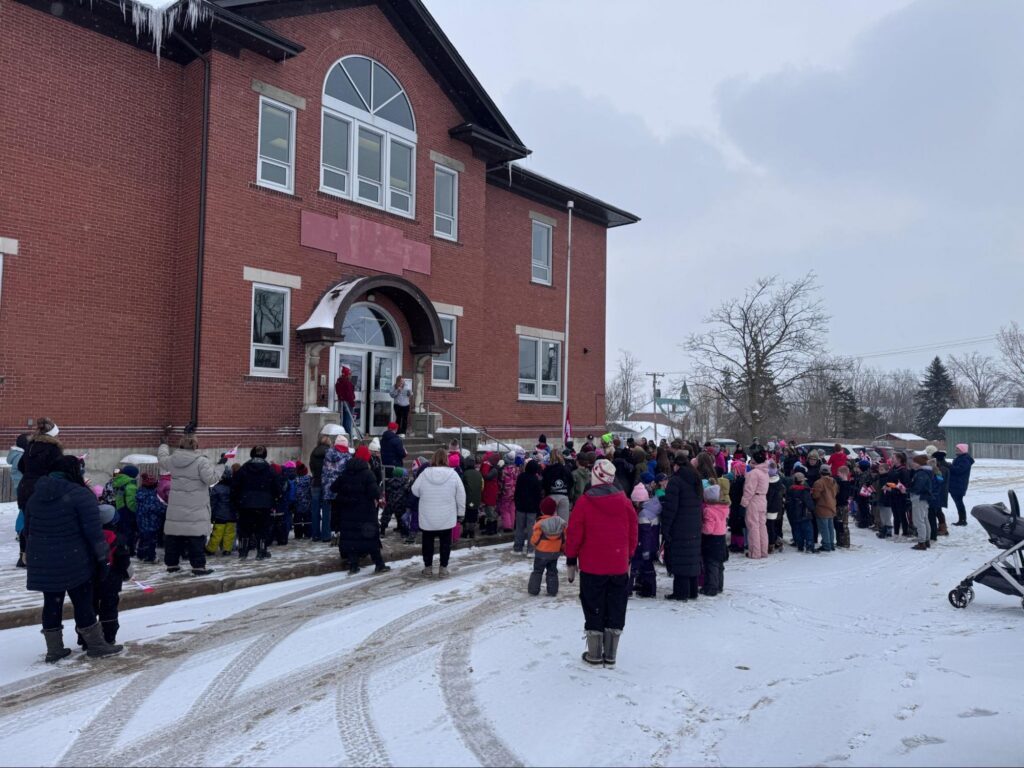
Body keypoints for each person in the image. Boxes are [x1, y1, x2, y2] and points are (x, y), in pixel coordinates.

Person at [26, 455, 123, 661]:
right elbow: (94, 533)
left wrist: (29, 555)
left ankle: (54, 650)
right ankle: (96, 645)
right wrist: (104, 559)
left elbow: (28, 530)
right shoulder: (80, 495)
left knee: (52, 602)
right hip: (74, 559)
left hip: (43, 560)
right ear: (73, 472)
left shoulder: (36, 496)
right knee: (83, 602)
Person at [564, 458, 637, 667]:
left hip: (592, 566)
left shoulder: (584, 503)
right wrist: (628, 556)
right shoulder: (625, 502)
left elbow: (574, 534)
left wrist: (571, 559)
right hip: (618, 565)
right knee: (616, 606)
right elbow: (633, 533)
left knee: (593, 605)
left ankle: (595, 652)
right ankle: (611, 652)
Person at [158, 431, 219, 575]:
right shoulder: (201, 461)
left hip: (176, 508)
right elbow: (211, 479)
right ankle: (198, 566)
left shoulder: (173, 460)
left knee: (174, 536)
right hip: (195, 507)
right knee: (196, 537)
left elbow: (162, 458)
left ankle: (172, 565)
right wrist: (221, 465)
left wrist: (163, 444)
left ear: (180, 444)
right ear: (196, 445)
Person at [78, 503, 131, 652]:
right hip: (111, 579)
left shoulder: (88, 535)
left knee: (89, 608)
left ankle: (86, 639)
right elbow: (123, 560)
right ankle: (109, 637)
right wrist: (125, 573)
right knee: (109, 608)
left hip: (90, 578)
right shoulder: (118, 537)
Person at [333, 445, 391, 575]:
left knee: (352, 539)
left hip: (349, 513)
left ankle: (353, 566)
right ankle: (379, 564)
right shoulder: (367, 473)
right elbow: (374, 492)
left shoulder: (346, 472)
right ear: (366, 459)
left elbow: (334, 487)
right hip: (366, 512)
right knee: (371, 539)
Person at [412, 448, 465, 577]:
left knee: (427, 543)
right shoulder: (453, 475)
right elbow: (461, 495)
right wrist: (461, 513)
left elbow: (415, 490)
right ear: (446, 460)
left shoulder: (424, 474)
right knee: (445, 544)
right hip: (446, 516)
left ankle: (428, 568)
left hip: (428, 516)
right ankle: (443, 568)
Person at [662, 452, 704, 601]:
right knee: (691, 557)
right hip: (694, 523)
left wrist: (665, 527)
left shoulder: (676, 481)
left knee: (680, 558)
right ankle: (693, 591)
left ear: (677, 465)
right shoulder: (695, 478)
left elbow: (670, 507)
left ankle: (681, 592)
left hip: (679, 525)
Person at [232, 446, 282, 560]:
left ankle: (243, 552)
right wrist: (276, 499)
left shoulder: (244, 468)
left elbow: (235, 486)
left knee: (245, 529)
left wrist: (237, 501)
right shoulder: (269, 469)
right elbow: (277, 487)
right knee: (262, 529)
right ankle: (261, 551)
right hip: (264, 504)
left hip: (246, 503)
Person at [17, 417, 64, 520]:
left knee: (29, 522)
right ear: (53, 434)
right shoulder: (54, 449)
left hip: (25, 488)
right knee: (43, 524)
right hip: (44, 490)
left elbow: (20, 466)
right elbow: (59, 470)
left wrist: (30, 474)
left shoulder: (30, 446)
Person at [528, 496, 567, 596]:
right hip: (554, 553)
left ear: (542, 510)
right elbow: (564, 538)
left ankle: (533, 590)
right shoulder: (560, 523)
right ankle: (552, 590)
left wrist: (534, 544)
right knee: (552, 572)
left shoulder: (540, 524)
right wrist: (562, 548)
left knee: (537, 571)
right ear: (554, 510)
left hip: (541, 553)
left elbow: (535, 539)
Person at [322, 435, 351, 546]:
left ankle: (334, 533)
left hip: (329, 488)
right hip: (342, 489)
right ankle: (340, 534)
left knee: (333, 512)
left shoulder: (328, 454)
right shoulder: (347, 457)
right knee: (342, 512)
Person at [741, 447, 770, 559]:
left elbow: (749, 490)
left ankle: (755, 553)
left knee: (753, 526)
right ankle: (763, 551)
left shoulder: (754, 473)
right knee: (762, 526)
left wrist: (743, 503)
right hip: (763, 499)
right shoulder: (765, 472)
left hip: (754, 500)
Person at [513, 460, 543, 554]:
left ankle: (518, 548)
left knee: (519, 528)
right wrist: (538, 509)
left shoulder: (521, 477)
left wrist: (516, 503)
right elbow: (538, 496)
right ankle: (530, 549)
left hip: (521, 506)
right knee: (531, 530)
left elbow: (517, 491)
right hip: (532, 508)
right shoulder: (536, 480)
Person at [9, 433, 29, 568]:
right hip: (23, 487)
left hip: (21, 486)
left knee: (23, 510)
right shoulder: (21, 457)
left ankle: (20, 531)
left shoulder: (16, 455)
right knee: (24, 511)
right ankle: (20, 531)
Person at [206, 466, 236, 556]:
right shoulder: (234, 487)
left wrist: (211, 515)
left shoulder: (216, 488)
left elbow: (213, 503)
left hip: (220, 515)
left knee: (216, 533)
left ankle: (211, 549)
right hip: (232, 514)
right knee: (229, 533)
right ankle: (227, 549)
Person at [135, 472, 164, 562]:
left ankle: (141, 554)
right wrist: (164, 509)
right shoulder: (151, 495)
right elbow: (155, 508)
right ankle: (151, 557)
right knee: (151, 541)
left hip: (141, 521)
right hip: (151, 522)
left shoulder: (140, 492)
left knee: (143, 538)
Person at [309, 434, 332, 543]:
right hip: (326, 483)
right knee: (327, 510)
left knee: (315, 510)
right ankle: (326, 535)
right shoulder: (329, 453)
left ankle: (315, 535)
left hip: (315, 482)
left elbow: (311, 466)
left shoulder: (313, 452)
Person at [112, 464, 139, 556]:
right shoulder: (131, 485)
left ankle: (122, 548)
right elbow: (131, 501)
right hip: (128, 511)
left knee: (123, 531)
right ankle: (130, 550)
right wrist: (135, 510)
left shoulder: (120, 482)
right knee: (130, 532)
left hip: (120, 509)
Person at [786, 472, 816, 553]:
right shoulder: (805, 491)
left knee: (797, 530)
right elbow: (809, 503)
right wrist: (813, 508)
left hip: (794, 514)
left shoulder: (790, 490)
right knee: (808, 530)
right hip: (805, 514)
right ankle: (809, 546)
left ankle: (800, 545)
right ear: (802, 481)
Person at [811, 465, 838, 552]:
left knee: (824, 528)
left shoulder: (819, 482)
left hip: (822, 507)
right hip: (832, 506)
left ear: (820, 472)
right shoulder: (834, 481)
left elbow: (816, 496)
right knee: (830, 527)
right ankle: (831, 544)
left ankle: (826, 545)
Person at [909, 454, 933, 550]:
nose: (912, 464)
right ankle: (926, 540)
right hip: (923, 498)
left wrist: (906, 490)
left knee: (919, 520)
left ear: (919, 463)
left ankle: (921, 542)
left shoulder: (921, 473)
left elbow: (917, 488)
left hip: (919, 498)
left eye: (914, 462)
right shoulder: (924, 472)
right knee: (924, 519)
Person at [542, 449, 573, 521]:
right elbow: (571, 482)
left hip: (551, 496)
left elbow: (544, 483)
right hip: (564, 496)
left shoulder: (547, 469)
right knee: (564, 522)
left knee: (551, 522)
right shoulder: (566, 469)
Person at [949, 444, 974, 526]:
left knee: (959, 502)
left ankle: (963, 520)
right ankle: (962, 519)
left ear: (963, 450)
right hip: (956, 484)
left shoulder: (964, 459)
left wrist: (949, 466)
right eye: (956, 448)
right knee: (958, 502)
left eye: (958, 449)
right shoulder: (960, 458)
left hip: (959, 484)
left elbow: (958, 470)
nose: (956, 450)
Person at [461, 455, 483, 539]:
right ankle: (472, 532)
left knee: (466, 515)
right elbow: (481, 486)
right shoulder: (478, 473)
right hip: (476, 499)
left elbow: (462, 487)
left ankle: (465, 532)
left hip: (467, 499)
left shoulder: (465, 473)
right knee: (473, 515)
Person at [932, 451, 951, 536]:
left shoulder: (941, 468)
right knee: (938, 510)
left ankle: (943, 528)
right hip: (940, 492)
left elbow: (939, 480)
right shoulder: (943, 467)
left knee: (938, 511)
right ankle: (942, 527)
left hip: (940, 492)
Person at [335, 366, 356, 437]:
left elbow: (338, 392)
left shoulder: (339, 381)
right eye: (350, 374)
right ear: (347, 374)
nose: (351, 376)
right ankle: (348, 435)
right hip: (347, 403)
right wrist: (353, 403)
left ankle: (343, 434)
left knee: (343, 419)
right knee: (348, 420)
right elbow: (349, 394)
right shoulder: (347, 383)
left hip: (342, 403)